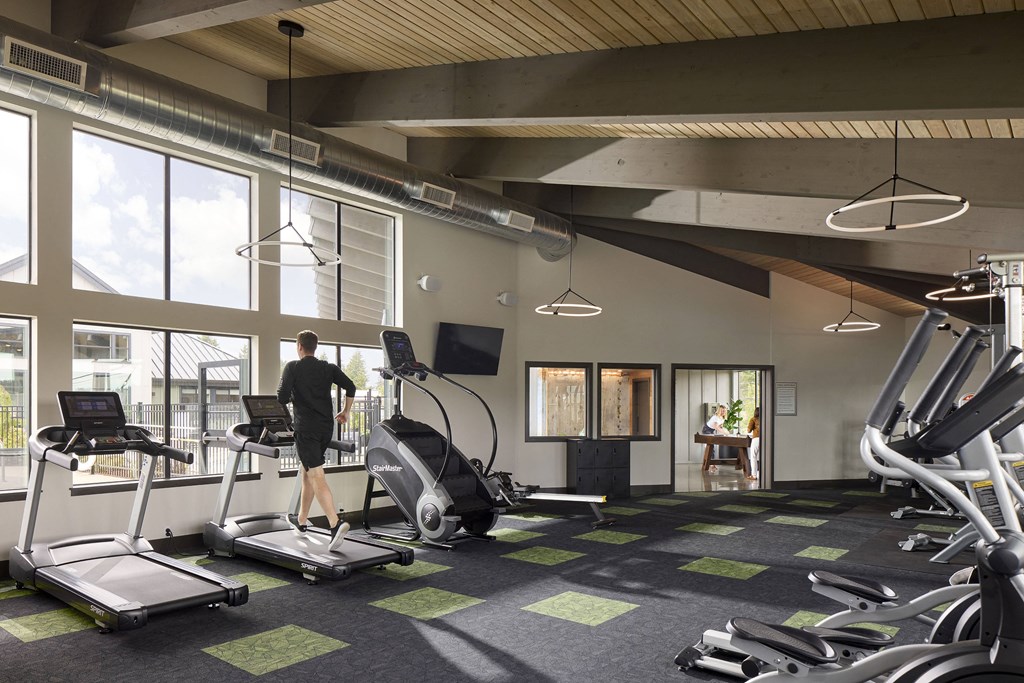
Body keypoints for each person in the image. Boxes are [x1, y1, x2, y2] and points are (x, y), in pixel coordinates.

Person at [277, 329, 357, 552]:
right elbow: (351, 387)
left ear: (299, 346)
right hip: (325, 428)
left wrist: (294, 395)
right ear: (315, 346)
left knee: (316, 475)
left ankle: (335, 523)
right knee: (307, 471)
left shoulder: (293, 366)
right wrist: (345, 411)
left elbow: (281, 397)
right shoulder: (327, 368)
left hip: (306, 429)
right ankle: (301, 520)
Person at [702, 405, 729, 473]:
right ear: (719, 411)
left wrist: (726, 431)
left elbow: (721, 427)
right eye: (722, 411)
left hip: (711, 431)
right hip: (706, 430)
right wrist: (724, 432)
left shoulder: (722, 418)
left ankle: (712, 464)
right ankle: (711, 464)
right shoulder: (715, 417)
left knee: (712, 447)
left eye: (725, 411)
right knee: (711, 446)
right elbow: (716, 427)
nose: (723, 412)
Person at [746, 407, 760, 481]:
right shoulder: (765, 419)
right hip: (766, 439)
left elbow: (748, 430)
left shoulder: (753, 419)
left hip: (756, 439)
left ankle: (754, 475)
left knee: (753, 457)